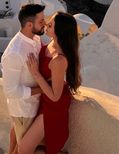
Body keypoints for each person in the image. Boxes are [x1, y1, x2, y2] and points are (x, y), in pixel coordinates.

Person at [19, 12, 81, 154]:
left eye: (51, 24)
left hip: (53, 106)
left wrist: (35, 73)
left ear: (59, 31)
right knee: (25, 140)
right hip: (42, 98)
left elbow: (55, 96)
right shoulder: (49, 44)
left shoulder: (59, 60)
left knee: (25, 148)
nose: (46, 25)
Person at [1, 4, 46, 154]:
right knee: (25, 149)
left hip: (35, 105)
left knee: (19, 143)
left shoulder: (36, 40)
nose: (44, 24)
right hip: (24, 110)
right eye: (41, 21)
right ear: (29, 24)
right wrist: (44, 89)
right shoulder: (14, 52)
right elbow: (10, 91)